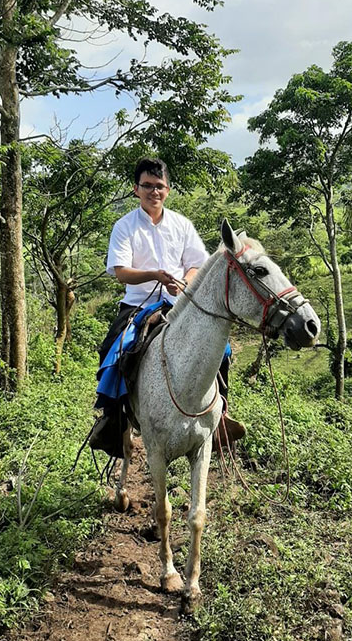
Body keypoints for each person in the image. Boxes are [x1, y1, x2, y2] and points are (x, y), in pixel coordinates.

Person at [90, 156, 245, 453]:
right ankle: (113, 420)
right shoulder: (124, 227)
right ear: (136, 189)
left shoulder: (181, 225)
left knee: (221, 348)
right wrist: (154, 275)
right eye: (147, 186)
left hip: (180, 303)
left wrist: (184, 281)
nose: (153, 192)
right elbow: (120, 271)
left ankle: (220, 413)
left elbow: (197, 265)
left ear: (168, 189)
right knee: (113, 347)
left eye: (159, 186)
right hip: (137, 304)